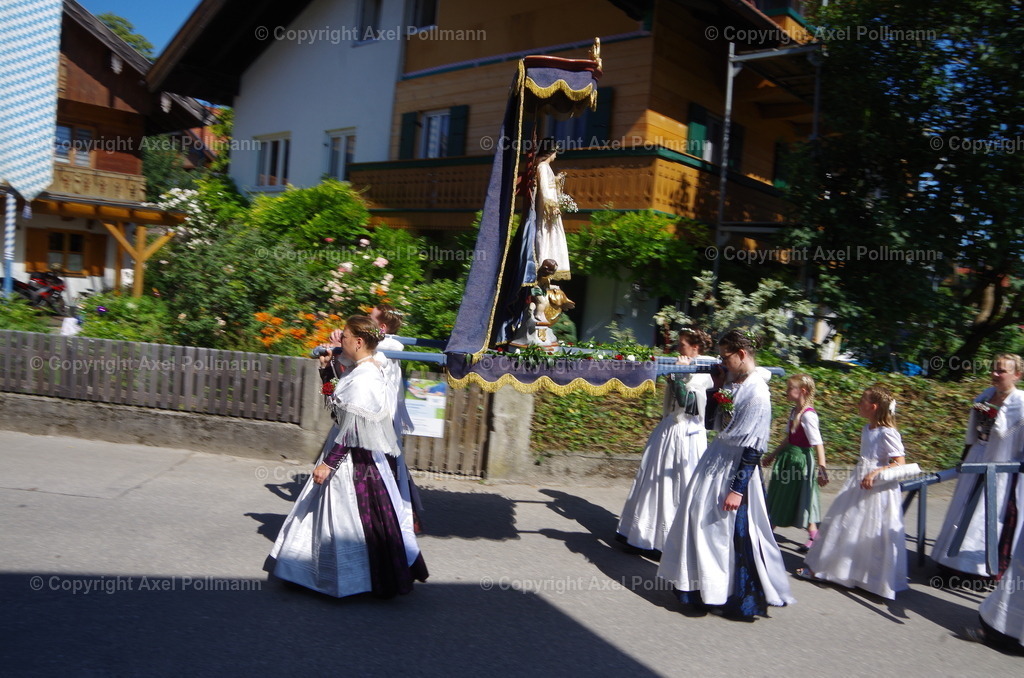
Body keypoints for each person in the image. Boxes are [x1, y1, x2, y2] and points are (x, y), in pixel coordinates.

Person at [268, 315, 428, 598]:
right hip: (351, 450)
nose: (339, 341)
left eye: (343, 337)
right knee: (331, 515)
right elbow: (337, 412)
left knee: (351, 518)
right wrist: (326, 370)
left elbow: (351, 428)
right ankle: (318, 573)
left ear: (358, 341)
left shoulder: (366, 378)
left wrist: (328, 463)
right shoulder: (361, 371)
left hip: (352, 458)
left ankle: (351, 579)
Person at [657, 330, 795, 620]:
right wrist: (717, 387)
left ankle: (732, 594)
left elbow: (754, 448)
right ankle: (699, 589)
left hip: (735, 469)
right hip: (716, 458)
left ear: (742, 355)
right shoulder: (734, 381)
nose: (722, 362)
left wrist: (737, 489)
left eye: (725, 357)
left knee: (730, 533)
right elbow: (711, 423)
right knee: (698, 523)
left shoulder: (758, 393)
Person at [796, 385, 908, 600]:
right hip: (859, 481)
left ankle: (871, 578)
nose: (858, 403)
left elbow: (899, 463)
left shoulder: (888, 432)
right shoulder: (867, 429)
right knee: (845, 523)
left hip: (878, 488)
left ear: (873, 407)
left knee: (871, 530)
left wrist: (877, 472)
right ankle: (837, 569)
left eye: (862, 400)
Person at [617, 328, 714, 555]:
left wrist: (678, 374)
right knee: (653, 481)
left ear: (695, 347)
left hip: (687, 434)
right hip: (670, 428)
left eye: (681, 344)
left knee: (678, 484)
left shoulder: (704, 370)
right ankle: (644, 535)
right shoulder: (685, 364)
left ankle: (669, 542)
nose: (677, 349)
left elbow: (690, 405)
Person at [932, 354, 1024, 579]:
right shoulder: (985, 396)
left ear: (1017, 375)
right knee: (962, 507)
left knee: (985, 513)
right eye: (994, 369)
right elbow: (973, 434)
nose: (994, 374)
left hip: (1001, 467)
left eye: (1001, 371)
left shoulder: (1020, 404)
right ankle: (949, 561)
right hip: (976, 458)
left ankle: (975, 569)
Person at [763, 374, 829, 551]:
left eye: (789, 388)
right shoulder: (794, 412)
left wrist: (822, 468)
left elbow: (818, 443)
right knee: (784, 493)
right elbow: (789, 438)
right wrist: (773, 454)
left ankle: (770, 530)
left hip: (800, 461)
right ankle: (813, 533)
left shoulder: (809, 416)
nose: (786, 391)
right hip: (788, 457)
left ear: (803, 391)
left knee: (798, 495)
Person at [533, 140, 570, 282]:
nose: (556, 155)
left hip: (549, 211)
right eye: (556, 152)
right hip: (546, 211)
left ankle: (549, 269)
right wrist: (552, 206)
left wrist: (556, 180)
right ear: (551, 151)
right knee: (547, 236)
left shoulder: (546, 167)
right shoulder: (543, 166)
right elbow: (544, 188)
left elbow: (548, 183)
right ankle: (544, 267)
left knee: (552, 235)